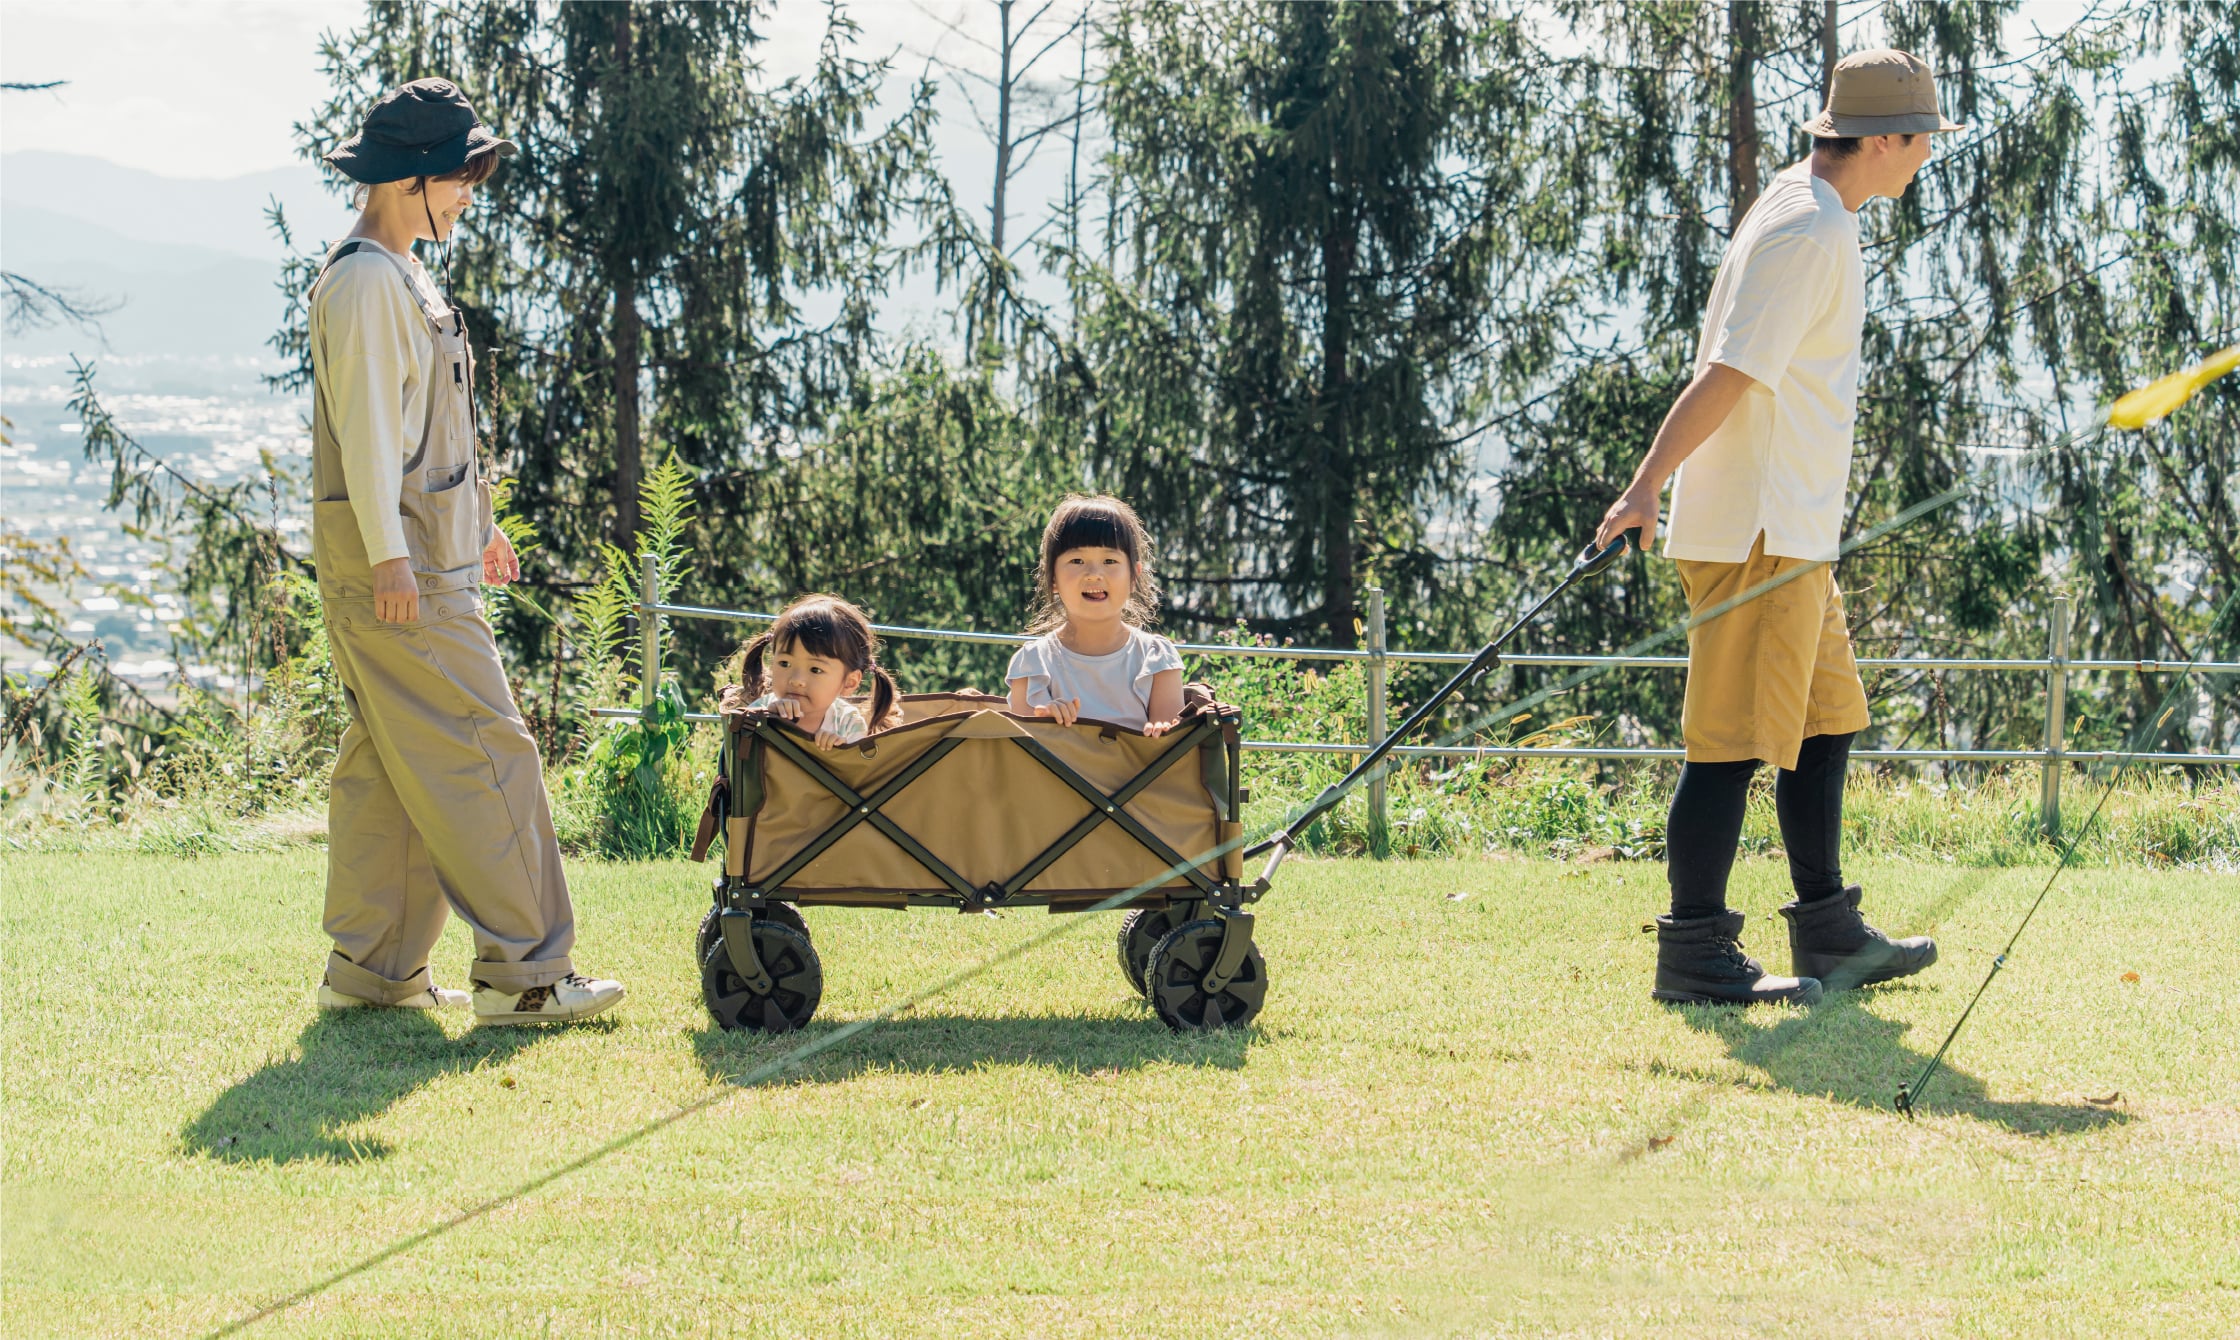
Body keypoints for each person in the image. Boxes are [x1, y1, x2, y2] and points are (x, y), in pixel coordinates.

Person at [1594, 50, 1962, 1006]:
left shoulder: (1808, 206)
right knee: (1726, 742)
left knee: (1826, 719)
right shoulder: (1809, 228)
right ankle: (1696, 953)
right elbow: (1730, 370)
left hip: (1796, 530)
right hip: (1759, 531)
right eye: (1922, 140)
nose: (1927, 156)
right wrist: (1644, 489)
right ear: (1884, 140)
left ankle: (1831, 931)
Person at [310, 78, 624, 1024]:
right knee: (492, 752)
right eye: (460, 179)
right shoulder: (369, 280)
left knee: (394, 766)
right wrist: (395, 560)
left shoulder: (394, 272)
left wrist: (475, 521)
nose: (468, 197)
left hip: (418, 554)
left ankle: (372, 974)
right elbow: (367, 436)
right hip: (402, 569)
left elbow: (419, 424)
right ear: (412, 177)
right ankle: (527, 976)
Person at [1006, 495, 1185, 736]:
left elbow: (1173, 750)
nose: (1093, 574)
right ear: (1052, 577)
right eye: (1076, 560)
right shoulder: (1033, 662)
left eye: (1110, 560)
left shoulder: (1155, 659)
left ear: (1134, 576)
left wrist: (1162, 730)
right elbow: (1022, 755)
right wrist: (1046, 723)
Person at [716, 595, 905, 747]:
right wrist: (767, 723)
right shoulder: (762, 710)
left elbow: (856, 780)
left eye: (815, 669)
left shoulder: (847, 723)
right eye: (784, 664)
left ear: (850, 682)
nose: (796, 680)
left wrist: (840, 754)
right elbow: (737, 765)